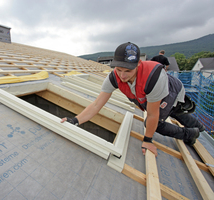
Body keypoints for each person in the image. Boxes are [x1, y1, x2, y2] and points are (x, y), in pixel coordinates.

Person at [61, 42, 205, 156]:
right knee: (169, 112)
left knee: (156, 122)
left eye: (128, 71)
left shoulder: (153, 78)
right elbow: (97, 104)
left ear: (138, 64)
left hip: (171, 91)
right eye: (119, 70)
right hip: (155, 92)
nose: (122, 76)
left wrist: (147, 140)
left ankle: (191, 134)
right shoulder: (113, 78)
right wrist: (75, 120)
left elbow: (153, 114)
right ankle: (200, 127)